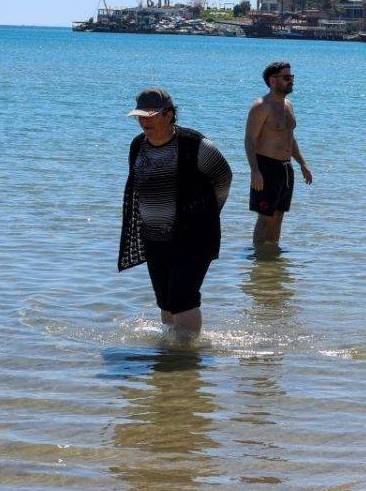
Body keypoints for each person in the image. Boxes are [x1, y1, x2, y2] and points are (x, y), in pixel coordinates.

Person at [119, 88, 233, 335]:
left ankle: (187, 357)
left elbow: (224, 178)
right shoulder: (137, 145)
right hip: (154, 238)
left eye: (149, 116)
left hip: (193, 237)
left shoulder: (197, 145)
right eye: (140, 116)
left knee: (183, 300)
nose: (143, 121)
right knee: (166, 303)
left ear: (168, 115)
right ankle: (172, 365)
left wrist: (209, 214)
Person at [244, 61, 314, 254]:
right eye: (286, 77)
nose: (291, 81)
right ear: (272, 81)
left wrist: (303, 164)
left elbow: (289, 139)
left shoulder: (288, 105)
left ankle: (271, 259)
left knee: (278, 216)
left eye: (292, 77)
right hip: (266, 167)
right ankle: (259, 258)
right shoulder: (261, 106)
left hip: (286, 167)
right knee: (265, 217)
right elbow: (250, 140)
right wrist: (255, 171)